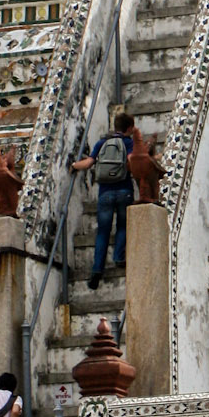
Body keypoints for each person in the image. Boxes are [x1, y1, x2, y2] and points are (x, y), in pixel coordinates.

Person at [71, 109, 135, 289]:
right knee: (123, 226)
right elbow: (131, 161)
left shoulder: (102, 142)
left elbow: (89, 163)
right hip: (124, 190)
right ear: (129, 128)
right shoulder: (129, 142)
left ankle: (97, 270)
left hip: (105, 192)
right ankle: (118, 257)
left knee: (102, 232)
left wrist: (74, 165)